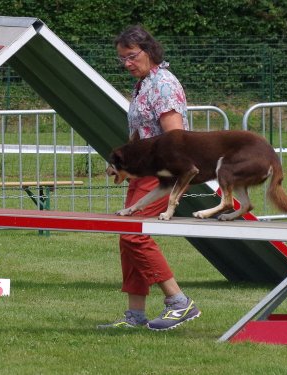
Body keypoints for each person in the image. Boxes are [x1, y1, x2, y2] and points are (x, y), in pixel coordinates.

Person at [98, 25, 201, 330]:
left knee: (135, 234)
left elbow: (175, 137)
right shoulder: (144, 83)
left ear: (149, 51)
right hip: (141, 170)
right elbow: (140, 132)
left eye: (131, 56)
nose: (127, 63)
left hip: (159, 173)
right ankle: (135, 316)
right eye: (122, 59)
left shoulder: (164, 85)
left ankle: (180, 303)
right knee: (127, 238)